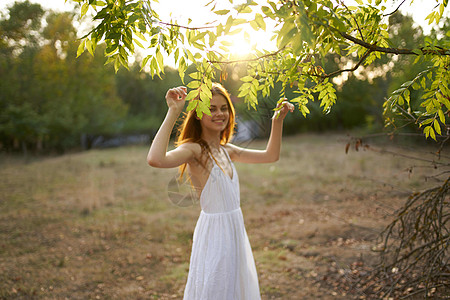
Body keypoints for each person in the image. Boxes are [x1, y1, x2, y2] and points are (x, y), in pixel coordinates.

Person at [147, 83, 294, 300]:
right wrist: (173, 111)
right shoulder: (194, 149)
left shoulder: (227, 150)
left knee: (235, 289)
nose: (220, 113)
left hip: (235, 230)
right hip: (215, 235)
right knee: (216, 290)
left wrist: (277, 121)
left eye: (224, 108)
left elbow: (271, 156)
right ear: (198, 114)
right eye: (212, 108)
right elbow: (156, 159)